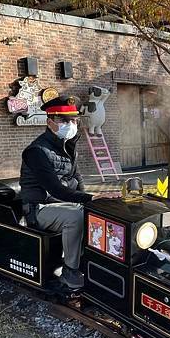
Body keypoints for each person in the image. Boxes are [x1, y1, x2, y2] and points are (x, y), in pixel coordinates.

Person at [19, 95, 101, 290]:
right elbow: (55, 189)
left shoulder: (69, 146)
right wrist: (91, 198)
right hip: (39, 207)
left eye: (73, 120)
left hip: (63, 203)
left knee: (93, 214)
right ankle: (69, 271)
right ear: (50, 122)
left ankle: (87, 261)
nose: (70, 124)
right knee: (76, 217)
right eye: (64, 120)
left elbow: (77, 178)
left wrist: (90, 202)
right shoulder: (36, 151)